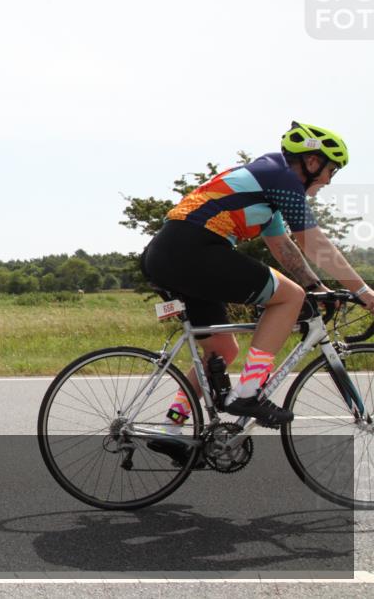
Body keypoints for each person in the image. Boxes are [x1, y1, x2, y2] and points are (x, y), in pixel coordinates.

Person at [140, 122, 374, 449]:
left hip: (171, 254)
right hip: (193, 250)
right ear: (311, 162)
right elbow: (313, 242)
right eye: (330, 170)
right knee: (289, 297)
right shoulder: (281, 178)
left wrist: (317, 286)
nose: (327, 181)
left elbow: (284, 247)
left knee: (223, 349)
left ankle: (170, 429)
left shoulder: (268, 184)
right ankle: (249, 394)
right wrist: (364, 293)